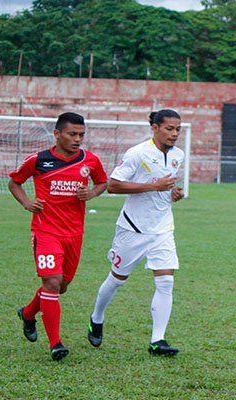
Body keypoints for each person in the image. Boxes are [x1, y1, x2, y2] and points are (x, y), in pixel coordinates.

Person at [8, 112, 108, 361]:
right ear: (57, 134)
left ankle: (29, 313)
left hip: (74, 234)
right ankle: (56, 344)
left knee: (61, 287)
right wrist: (27, 203)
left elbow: (103, 182)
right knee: (51, 282)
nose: (77, 139)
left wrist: (91, 194)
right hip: (45, 231)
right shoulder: (38, 160)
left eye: (81, 135)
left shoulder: (90, 160)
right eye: (72, 134)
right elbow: (15, 183)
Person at [88, 109, 185, 356]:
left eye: (177, 129)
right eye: (169, 128)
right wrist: (153, 186)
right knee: (117, 279)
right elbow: (113, 186)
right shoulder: (137, 153)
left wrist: (172, 194)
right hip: (132, 228)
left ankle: (157, 340)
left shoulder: (178, 155)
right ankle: (96, 317)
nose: (174, 134)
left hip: (162, 228)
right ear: (155, 127)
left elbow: (163, 189)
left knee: (166, 281)